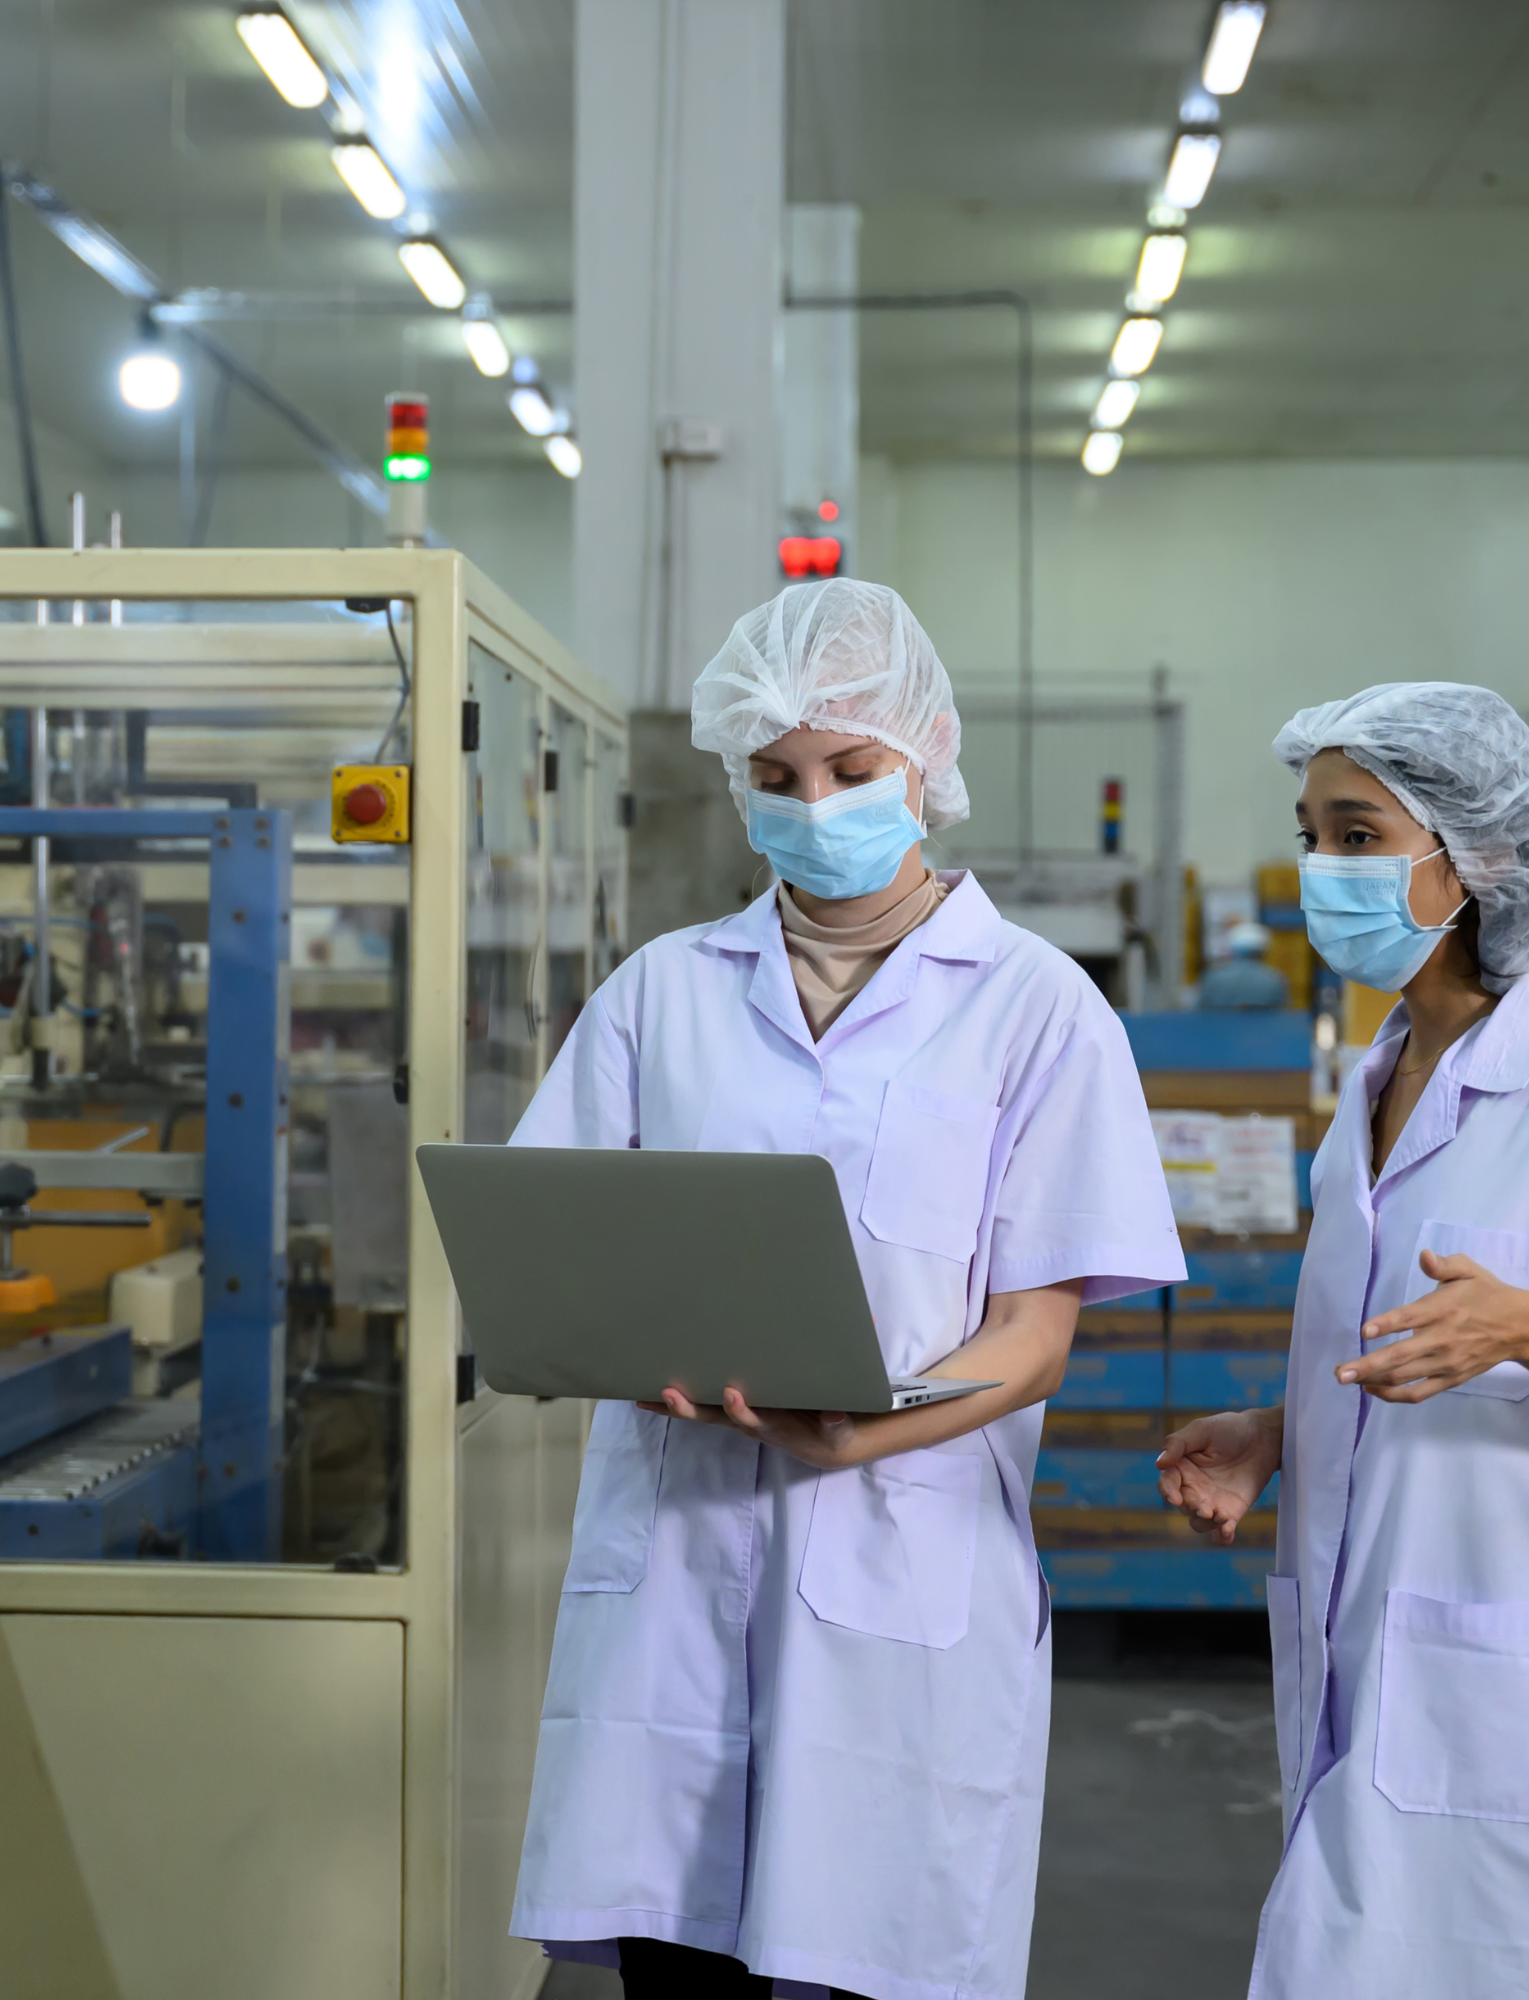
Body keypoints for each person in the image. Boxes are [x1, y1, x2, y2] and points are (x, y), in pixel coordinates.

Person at [508, 578, 1185, 2000]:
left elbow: (1033, 1337)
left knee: (878, 1956)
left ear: (926, 758)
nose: (813, 805)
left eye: (849, 769)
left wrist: (865, 1429)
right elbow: (553, 1247)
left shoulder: (1035, 1006)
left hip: (901, 1551)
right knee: (675, 1960)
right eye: (775, 778)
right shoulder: (663, 992)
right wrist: (620, 1344)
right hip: (678, 1559)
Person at [1157, 682, 1529, 1995]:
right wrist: (1282, 1430)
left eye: (1359, 836)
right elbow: (1394, 1343)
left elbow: (1493, 1329)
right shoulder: (1371, 1084)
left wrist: (1528, 1326)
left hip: (1492, 1663)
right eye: (1311, 832)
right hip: (1364, 1640)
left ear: (1473, 856)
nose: (1322, 868)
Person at [1199, 920, 1291, 1010]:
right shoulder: (1275, 979)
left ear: (1232, 950)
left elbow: (1200, 1013)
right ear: (1263, 952)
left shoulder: (1213, 978)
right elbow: (1283, 1015)